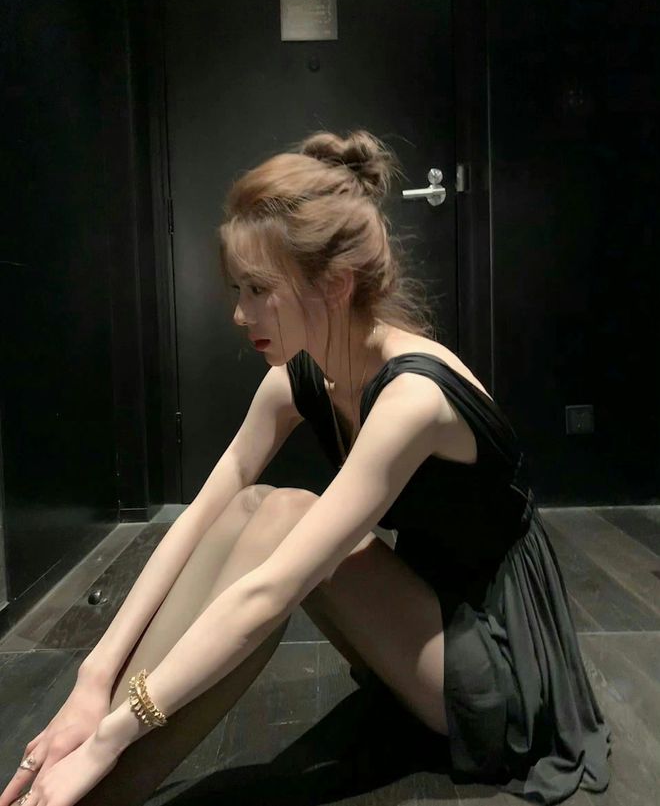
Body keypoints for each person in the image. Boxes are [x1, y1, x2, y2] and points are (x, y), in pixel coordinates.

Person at [1, 130, 611, 806]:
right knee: (250, 506)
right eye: (237, 288)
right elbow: (198, 520)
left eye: (259, 289)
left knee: (286, 519)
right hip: (424, 620)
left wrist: (108, 737)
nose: (240, 313)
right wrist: (92, 680)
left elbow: (269, 592)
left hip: (499, 665)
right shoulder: (299, 379)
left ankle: (89, 787)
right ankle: (79, 775)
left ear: (336, 284)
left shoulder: (413, 399)